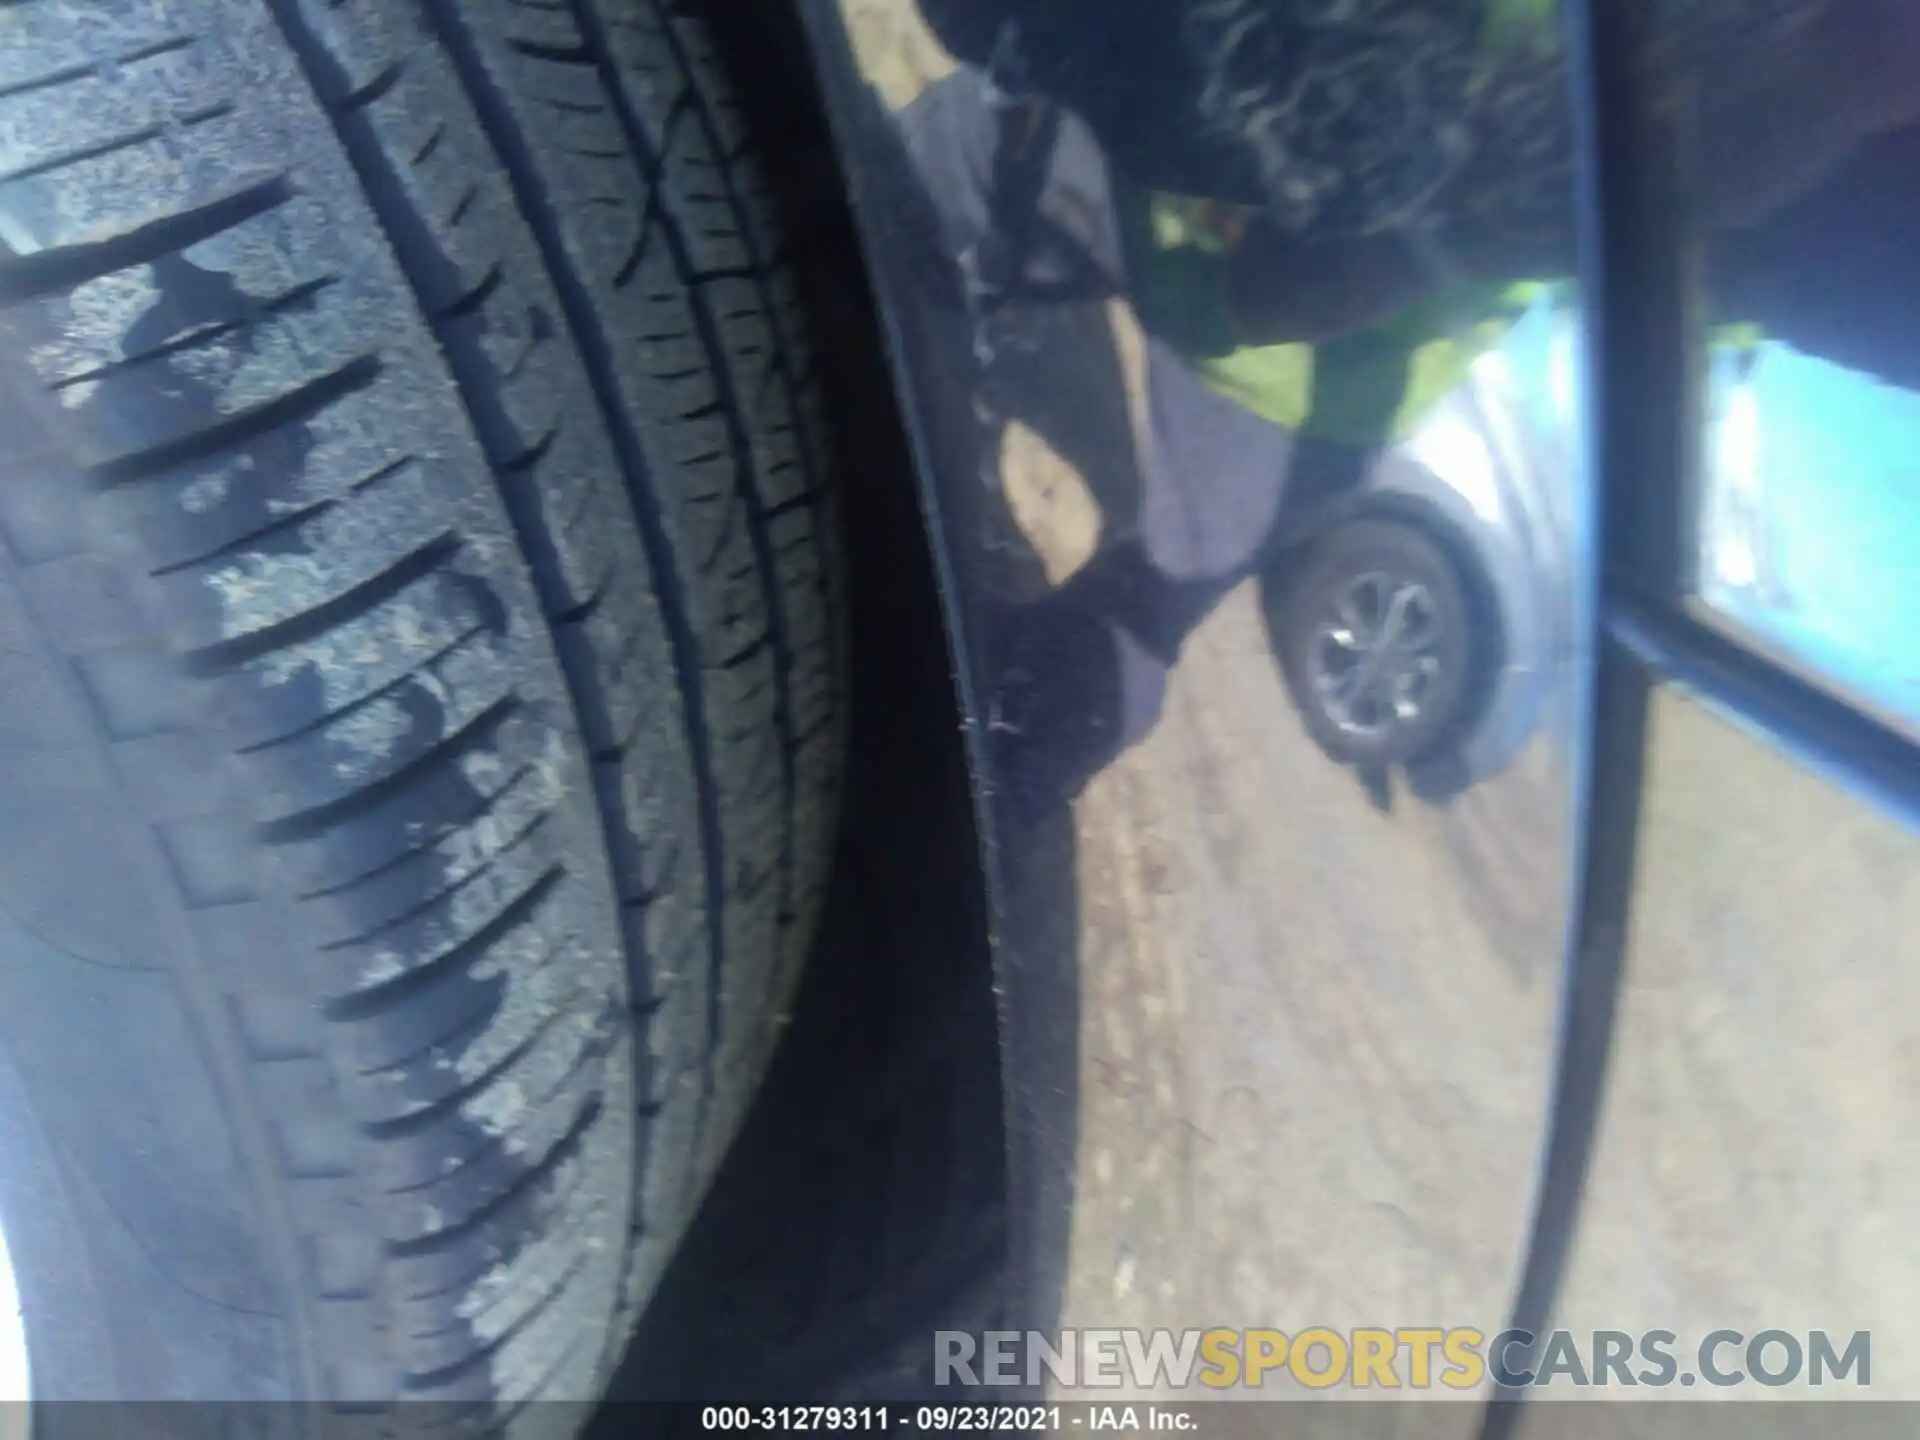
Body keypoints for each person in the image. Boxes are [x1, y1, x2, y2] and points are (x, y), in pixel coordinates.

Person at [895, 0, 1920, 818]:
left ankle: (962, 782)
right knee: (1139, 607)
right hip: (1307, 342)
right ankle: (966, 774)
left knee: (925, 191)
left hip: (1270, 296)